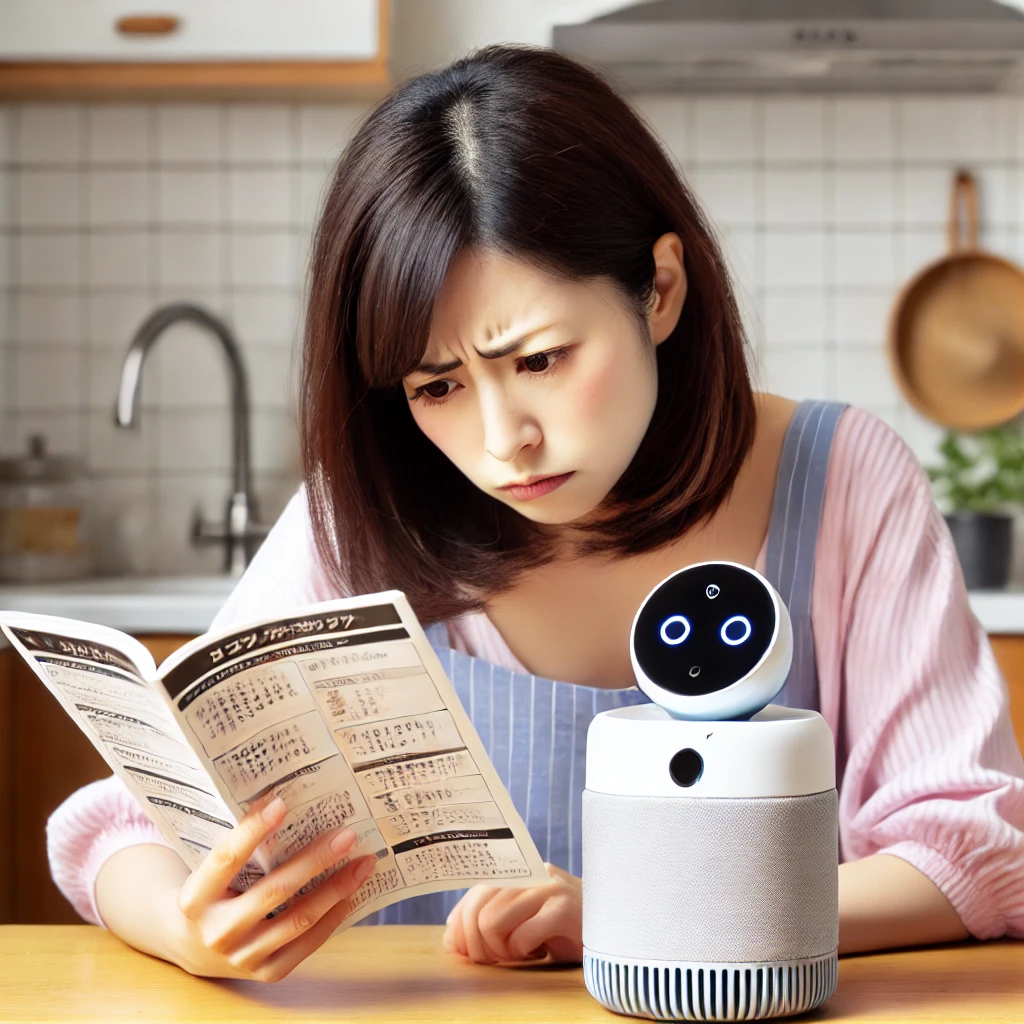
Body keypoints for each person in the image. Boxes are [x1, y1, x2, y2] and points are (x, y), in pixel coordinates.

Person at [47, 45, 1024, 980]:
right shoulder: (364, 520)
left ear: (661, 290)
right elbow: (129, 826)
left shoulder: (843, 478)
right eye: (437, 387)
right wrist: (185, 926)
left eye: (541, 360)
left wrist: (645, 912)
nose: (502, 436)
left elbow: (974, 849)